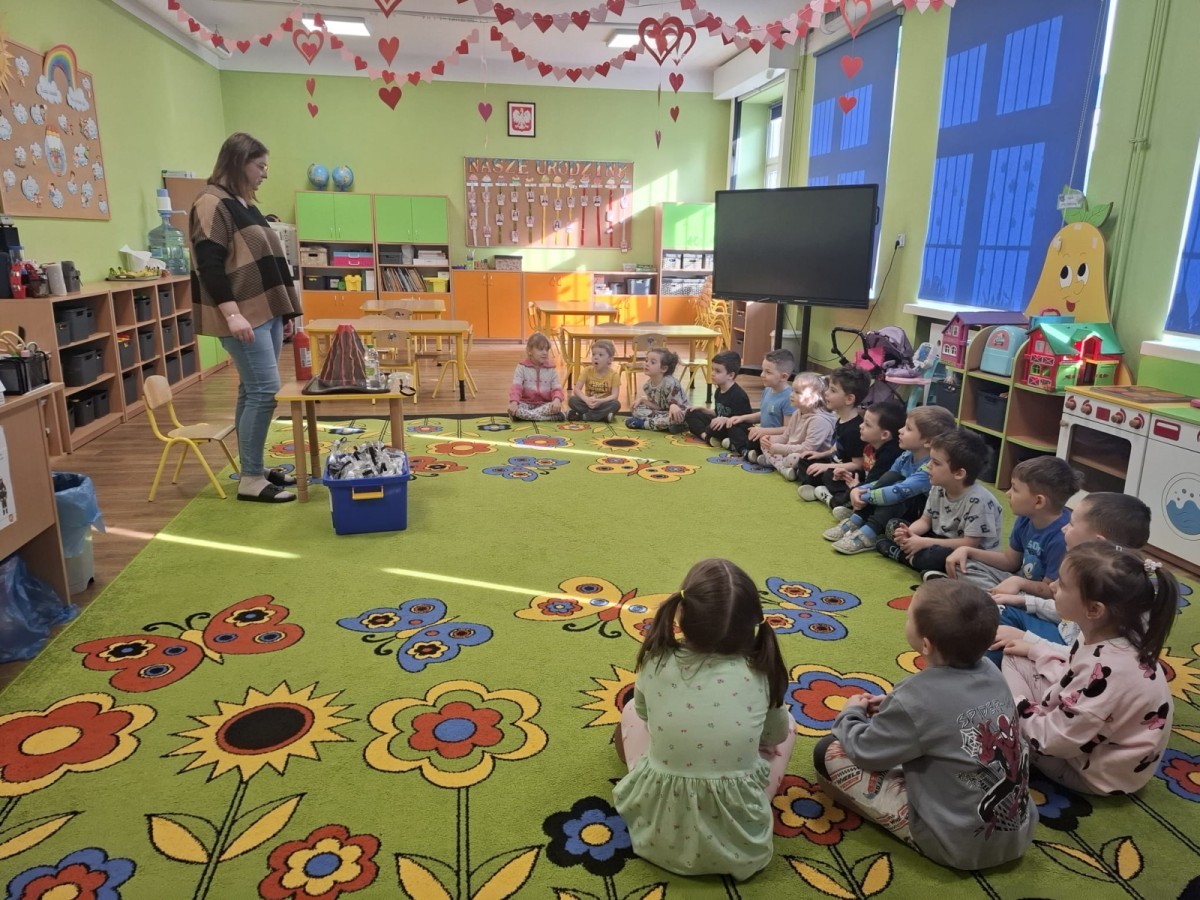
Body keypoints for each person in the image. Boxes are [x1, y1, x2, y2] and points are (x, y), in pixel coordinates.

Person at [814, 580, 1037, 870]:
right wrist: (896, 708)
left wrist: (850, 715)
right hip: (1017, 833)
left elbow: (865, 752)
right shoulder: (992, 671)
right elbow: (947, 713)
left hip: (955, 843)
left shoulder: (915, 697)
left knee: (827, 751)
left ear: (926, 644)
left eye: (909, 615)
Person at [613, 558, 796, 881]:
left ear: (680, 613)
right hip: (742, 843)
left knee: (629, 712)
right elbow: (776, 736)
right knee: (788, 726)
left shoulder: (656, 659)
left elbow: (643, 715)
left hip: (657, 835)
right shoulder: (761, 672)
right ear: (753, 623)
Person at [999, 542, 1178, 795]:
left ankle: (1013, 735)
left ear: (1094, 609)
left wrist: (1013, 704)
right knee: (1015, 657)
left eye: (1062, 585)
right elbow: (1074, 672)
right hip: (1089, 734)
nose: (1052, 587)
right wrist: (1035, 650)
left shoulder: (1111, 669)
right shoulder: (1114, 635)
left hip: (1091, 773)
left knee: (1000, 707)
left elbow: (1055, 740)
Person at [191, 132, 302, 503]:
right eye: (260, 166)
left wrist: (284, 310)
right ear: (238, 162)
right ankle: (251, 480)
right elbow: (209, 263)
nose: (265, 174)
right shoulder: (211, 202)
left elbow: (268, 262)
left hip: (266, 311)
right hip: (244, 314)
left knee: (251, 391)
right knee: (265, 393)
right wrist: (232, 314)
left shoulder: (245, 204)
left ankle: (251, 466)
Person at [986, 493, 1151, 665]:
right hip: (1063, 634)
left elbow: (1090, 658)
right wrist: (1023, 601)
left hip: (1074, 659)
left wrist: (1027, 640)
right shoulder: (1090, 569)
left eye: (1071, 524)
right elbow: (1067, 609)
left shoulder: (1119, 590)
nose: (1063, 528)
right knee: (998, 611)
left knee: (1006, 648)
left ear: (1098, 542)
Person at [823, 405, 957, 554]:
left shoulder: (930, 468)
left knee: (896, 493)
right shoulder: (906, 455)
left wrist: (864, 496)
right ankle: (857, 519)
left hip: (920, 516)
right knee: (890, 478)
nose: (900, 430)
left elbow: (899, 492)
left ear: (927, 441)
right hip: (898, 500)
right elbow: (884, 480)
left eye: (908, 428)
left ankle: (870, 533)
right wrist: (860, 490)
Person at [876, 428, 1004, 580]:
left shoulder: (980, 501)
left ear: (959, 473)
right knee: (893, 525)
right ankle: (916, 558)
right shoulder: (938, 486)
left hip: (967, 554)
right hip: (938, 539)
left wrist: (923, 542)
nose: (928, 466)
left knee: (937, 556)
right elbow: (925, 521)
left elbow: (970, 544)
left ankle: (904, 556)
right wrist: (910, 533)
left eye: (936, 463)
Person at [946, 456, 1083, 589]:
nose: (1008, 493)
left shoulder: (1062, 537)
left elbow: (1050, 591)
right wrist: (967, 550)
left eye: (1015, 489)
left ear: (1038, 501)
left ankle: (993, 598)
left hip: (1039, 595)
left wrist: (1018, 584)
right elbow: (1010, 561)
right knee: (963, 565)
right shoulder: (1026, 517)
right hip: (1019, 581)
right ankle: (993, 596)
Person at [820, 400, 906, 517]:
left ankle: (833, 501)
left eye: (867, 424)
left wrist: (855, 487)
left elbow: (875, 484)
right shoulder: (871, 443)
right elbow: (865, 470)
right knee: (830, 474)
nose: (860, 426)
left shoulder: (890, 454)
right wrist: (846, 474)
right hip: (865, 481)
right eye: (863, 421)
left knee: (861, 496)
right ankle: (842, 500)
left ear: (884, 435)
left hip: (875, 489)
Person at [797, 366, 869, 505]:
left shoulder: (854, 429)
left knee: (828, 474)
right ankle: (819, 488)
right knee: (805, 459)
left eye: (833, 390)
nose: (826, 393)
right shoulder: (840, 419)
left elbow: (858, 465)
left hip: (846, 472)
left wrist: (827, 467)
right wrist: (821, 455)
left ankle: (832, 496)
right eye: (829, 388)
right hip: (835, 464)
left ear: (849, 399)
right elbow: (837, 448)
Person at [750, 372, 836, 481]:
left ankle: (780, 466)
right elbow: (785, 437)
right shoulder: (797, 413)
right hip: (792, 449)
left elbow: (808, 448)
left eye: (797, 392)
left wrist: (780, 449)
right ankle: (782, 465)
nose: (791, 395)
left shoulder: (819, 420)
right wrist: (768, 439)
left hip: (810, 456)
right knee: (765, 441)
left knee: (794, 458)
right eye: (792, 390)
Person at [721, 349, 796, 457]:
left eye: (768, 372)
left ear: (783, 376)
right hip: (761, 432)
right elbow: (764, 414)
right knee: (734, 424)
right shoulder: (767, 390)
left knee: (757, 440)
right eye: (763, 370)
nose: (762, 375)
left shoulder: (790, 398)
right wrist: (742, 418)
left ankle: (742, 448)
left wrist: (764, 431)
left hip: (774, 438)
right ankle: (745, 449)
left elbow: (788, 429)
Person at [684, 350, 752, 447]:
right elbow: (718, 413)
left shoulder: (739, 396)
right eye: (712, 369)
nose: (712, 373)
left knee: (713, 428)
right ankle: (706, 437)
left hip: (732, 427)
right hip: (719, 423)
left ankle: (712, 437)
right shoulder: (718, 390)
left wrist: (725, 420)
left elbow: (744, 422)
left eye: (718, 371)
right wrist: (704, 410)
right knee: (691, 413)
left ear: (730, 375)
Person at [626, 347, 689, 432]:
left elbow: (678, 409)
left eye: (652, 362)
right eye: (646, 361)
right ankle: (662, 425)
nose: (647, 364)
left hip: (680, 413)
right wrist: (642, 400)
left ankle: (644, 424)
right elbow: (658, 408)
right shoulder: (647, 386)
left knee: (676, 418)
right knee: (636, 409)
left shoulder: (670, 383)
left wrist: (673, 406)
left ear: (663, 369)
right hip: (663, 413)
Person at [508, 332, 565, 421]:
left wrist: (557, 400)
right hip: (526, 404)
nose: (545, 353)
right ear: (529, 351)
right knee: (513, 409)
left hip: (544, 405)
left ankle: (526, 416)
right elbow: (516, 388)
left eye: (546, 350)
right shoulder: (521, 367)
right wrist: (514, 402)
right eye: (540, 349)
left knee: (554, 407)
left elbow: (557, 389)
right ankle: (547, 418)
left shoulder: (551, 369)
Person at [568, 339, 621, 422]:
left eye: (600, 355)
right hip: (588, 403)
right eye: (593, 354)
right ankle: (602, 416)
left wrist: (600, 401)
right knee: (572, 400)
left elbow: (615, 396)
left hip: (603, 404)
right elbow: (576, 389)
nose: (596, 357)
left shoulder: (614, 375)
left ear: (610, 359)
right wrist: (586, 399)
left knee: (616, 404)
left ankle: (586, 416)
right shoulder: (587, 370)